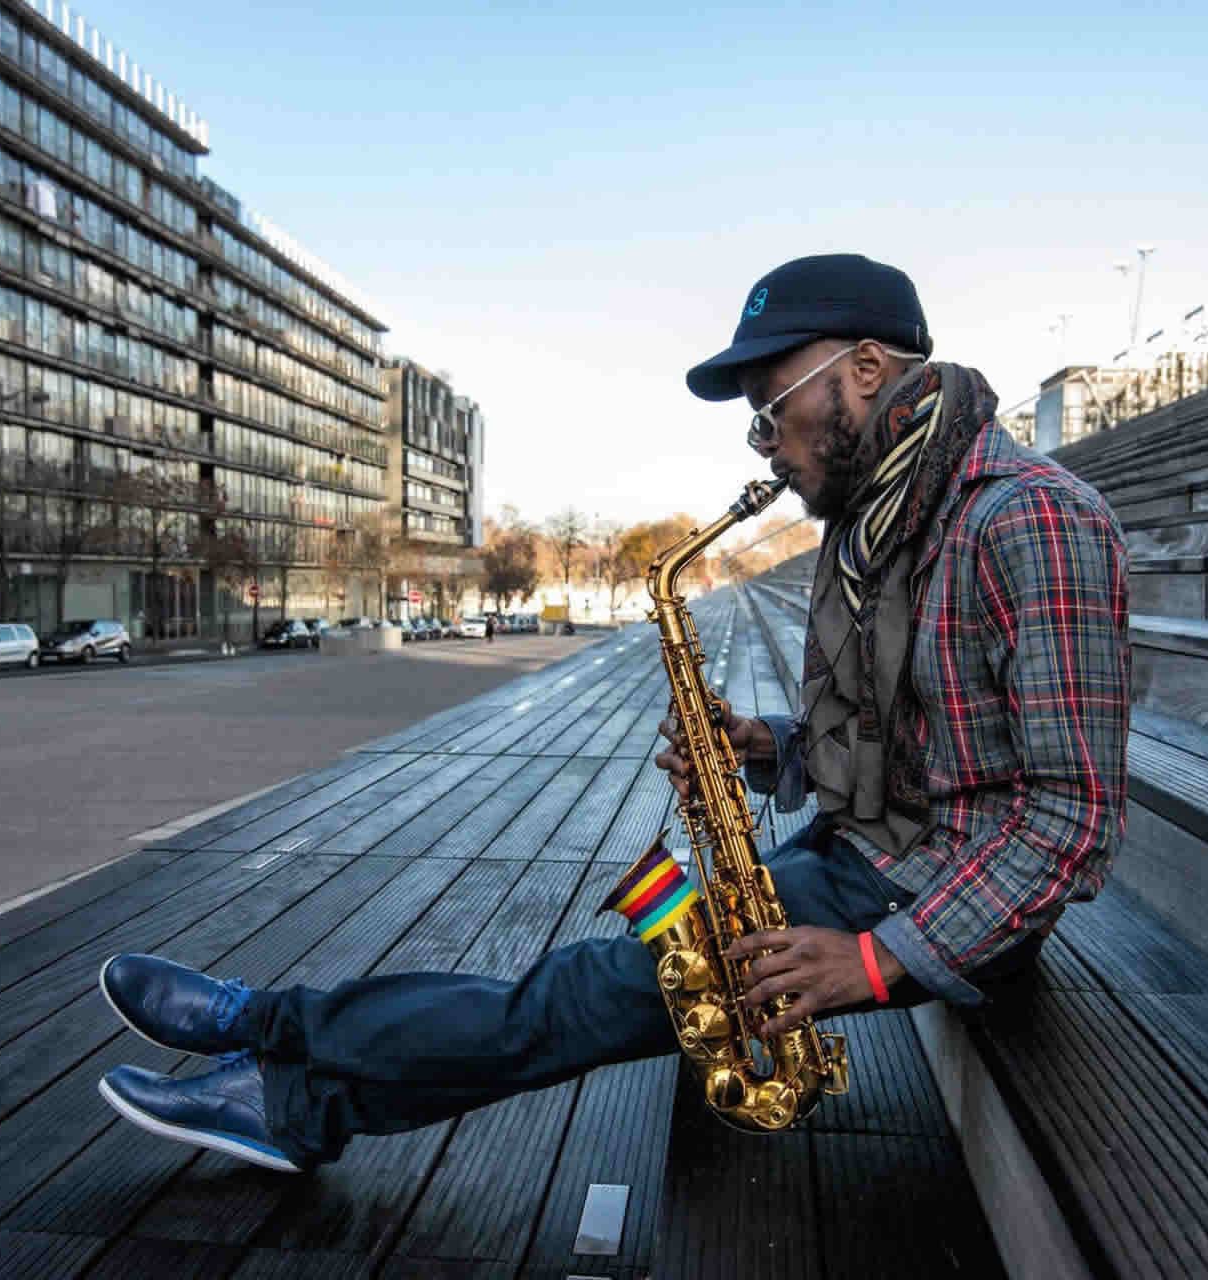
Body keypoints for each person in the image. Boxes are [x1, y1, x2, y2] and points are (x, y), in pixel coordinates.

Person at [93, 253, 1132, 1174]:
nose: (766, 443)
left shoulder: (1032, 517)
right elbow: (923, 740)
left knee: (573, 994)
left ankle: (271, 1041)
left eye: (774, 405)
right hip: (869, 853)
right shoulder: (878, 521)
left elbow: (1070, 816)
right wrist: (764, 745)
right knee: (574, 988)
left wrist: (871, 958)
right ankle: (285, 1077)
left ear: (867, 368)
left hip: (935, 898)